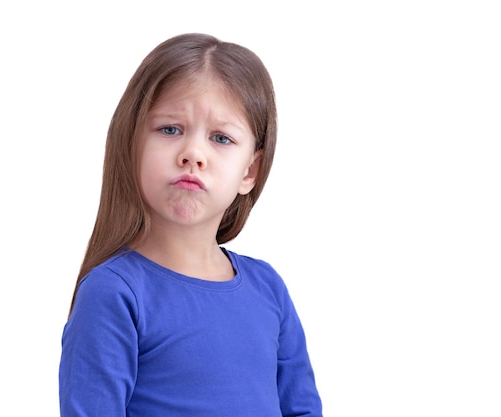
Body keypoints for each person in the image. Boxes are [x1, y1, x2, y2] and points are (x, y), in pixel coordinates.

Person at [59, 33, 322, 417]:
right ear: (131, 143)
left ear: (250, 170)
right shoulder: (113, 294)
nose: (193, 154)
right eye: (170, 129)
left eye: (221, 138)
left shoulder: (269, 289)